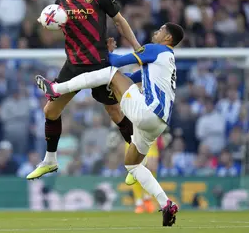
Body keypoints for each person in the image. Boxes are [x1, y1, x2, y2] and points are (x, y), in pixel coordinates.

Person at [35, 23, 184, 226]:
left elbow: (117, 63)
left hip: (147, 112)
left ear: (168, 38)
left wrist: (106, 51)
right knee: (132, 164)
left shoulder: (155, 49)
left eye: (160, 30)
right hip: (158, 124)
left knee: (110, 72)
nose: (156, 32)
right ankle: (166, 204)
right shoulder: (167, 61)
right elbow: (131, 78)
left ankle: (56, 88)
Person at [26, 0, 140, 179]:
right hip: (74, 64)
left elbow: (119, 20)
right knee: (50, 110)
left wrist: (136, 47)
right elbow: (57, 26)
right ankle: (50, 160)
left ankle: (137, 163)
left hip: (99, 63)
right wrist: (43, 22)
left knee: (115, 111)